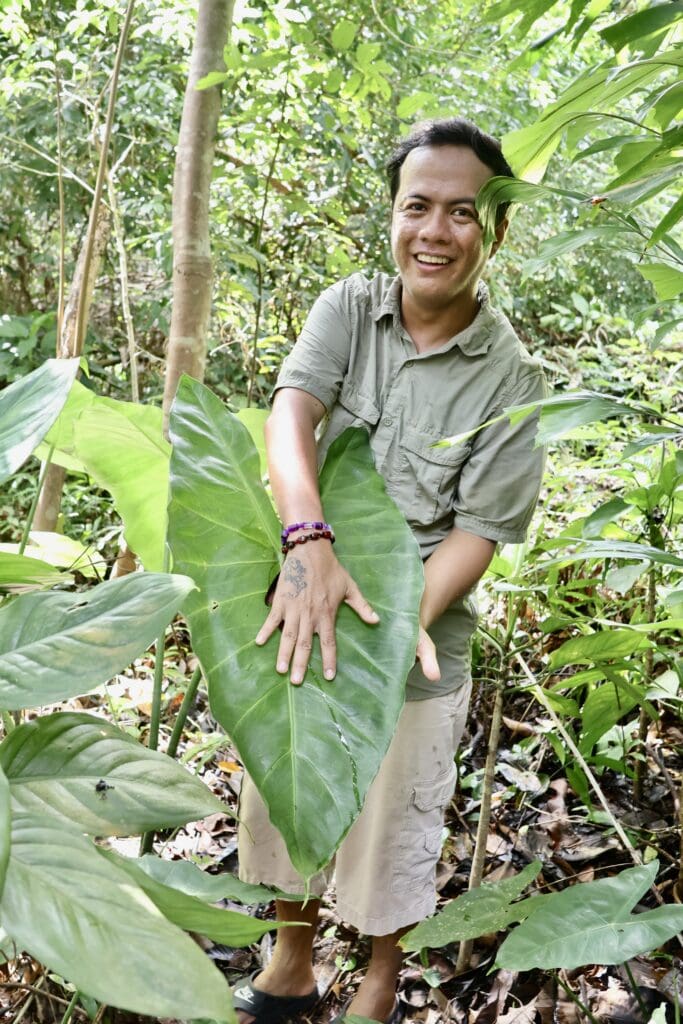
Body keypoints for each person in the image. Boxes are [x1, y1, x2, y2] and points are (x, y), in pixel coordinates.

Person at [234, 118, 547, 1024]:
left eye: (460, 213)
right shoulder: (348, 307)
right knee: (286, 786)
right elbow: (291, 419)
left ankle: (377, 977)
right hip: (306, 587)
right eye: (417, 207)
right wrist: (308, 543)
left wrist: (407, 607)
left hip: (419, 620)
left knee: (391, 823)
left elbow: (482, 526)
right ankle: (291, 961)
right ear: (393, 215)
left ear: (493, 232)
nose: (434, 232)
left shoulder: (512, 377)